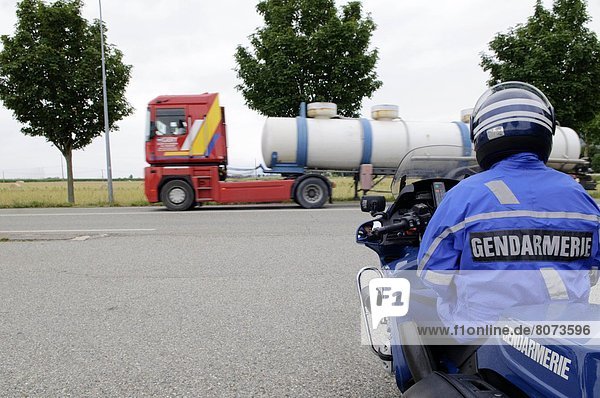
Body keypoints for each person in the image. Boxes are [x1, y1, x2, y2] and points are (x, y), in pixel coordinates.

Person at [416, 81, 600, 337]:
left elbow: (431, 275)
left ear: (482, 135)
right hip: (566, 335)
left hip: (483, 337)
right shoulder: (580, 196)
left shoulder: (464, 196)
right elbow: (592, 269)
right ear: (545, 134)